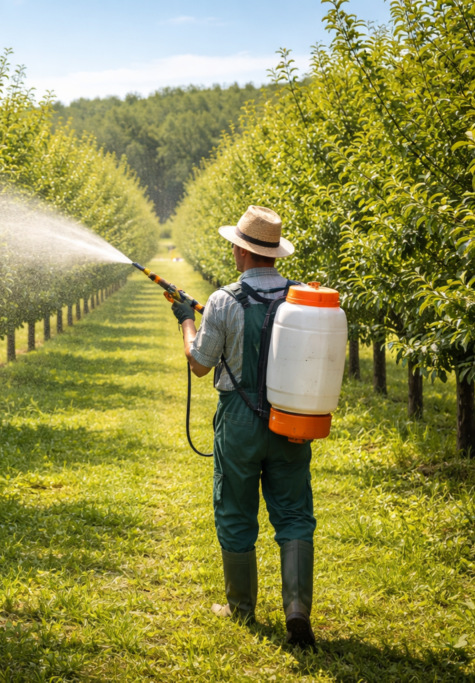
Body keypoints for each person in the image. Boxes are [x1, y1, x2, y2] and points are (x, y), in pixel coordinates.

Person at [171, 205, 317, 648]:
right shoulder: (302, 298)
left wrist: (187, 321)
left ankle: (241, 608)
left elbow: (199, 363)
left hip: (239, 420)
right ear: (274, 254)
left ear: (241, 251)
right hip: (290, 419)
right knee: (293, 514)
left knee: (235, 511)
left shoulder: (224, 300)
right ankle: (297, 609)